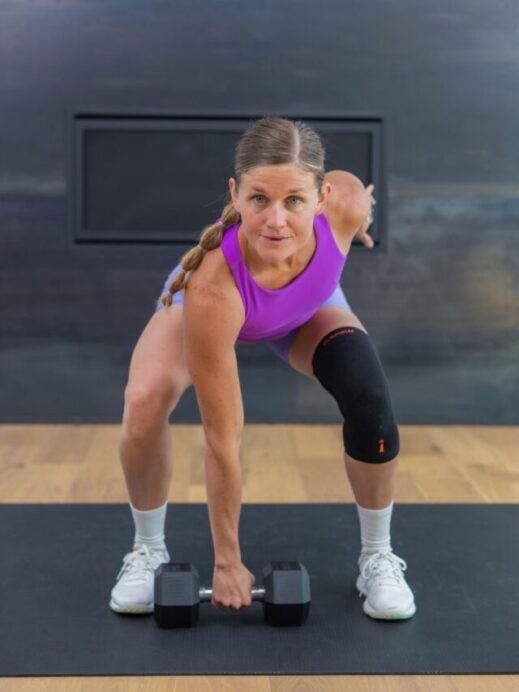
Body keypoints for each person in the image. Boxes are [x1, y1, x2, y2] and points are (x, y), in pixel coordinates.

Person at [109, 116, 416, 621]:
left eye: (294, 200)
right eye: (259, 200)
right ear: (235, 194)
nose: (276, 220)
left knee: (369, 395)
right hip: (217, 309)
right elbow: (222, 440)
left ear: (322, 198)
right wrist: (227, 561)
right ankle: (147, 549)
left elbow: (354, 190)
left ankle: (376, 555)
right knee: (144, 400)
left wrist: (363, 218)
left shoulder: (345, 205)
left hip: (304, 311)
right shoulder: (211, 289)